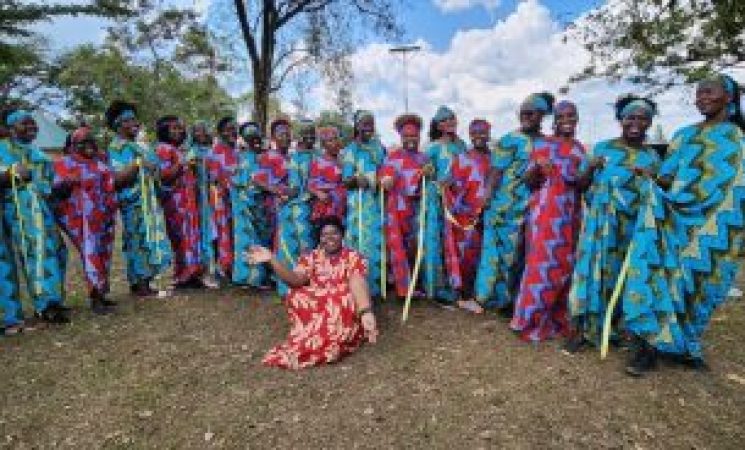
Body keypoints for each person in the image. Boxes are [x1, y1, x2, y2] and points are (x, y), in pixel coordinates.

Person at [619, 75, 745, 376]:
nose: (701, 97)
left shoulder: (738, 138)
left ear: (728, 97)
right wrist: (651, 178)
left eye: (708, 92)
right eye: (698, 93)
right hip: (677, 220)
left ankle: (684, 345)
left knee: (701, 285)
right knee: (658, 276)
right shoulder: (683, 135)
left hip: (717, 225)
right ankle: (645, 347)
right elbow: (668, 177)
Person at [566, 95, 662, 354]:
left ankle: (619, 327)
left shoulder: (653, 157)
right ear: (621, 119)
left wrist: (653, 178)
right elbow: (580, 185)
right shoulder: (602, 148)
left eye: (642, 118)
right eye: (630, 117)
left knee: (627, 275)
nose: (636, 122)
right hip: (602, 226)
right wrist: (590, 168)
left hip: (635, 229)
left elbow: (662, 193)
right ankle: (584, 328)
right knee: (593, 271)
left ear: (650, 122)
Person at [246, 216, 379, 370]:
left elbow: (357, 281)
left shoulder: (354, 257)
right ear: (319, 238)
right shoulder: (311, 257)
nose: (329, 238)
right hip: (319, 304)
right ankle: (310, 337)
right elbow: (295, 280)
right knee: (295, 294)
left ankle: (337, 338)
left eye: (334, 233)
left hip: (342, 305)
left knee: (341, 297)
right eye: (324, 234)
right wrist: (272, 260)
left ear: (342, 235)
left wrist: (366, 311)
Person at [511, 101, 586, 341]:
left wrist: (592, 169)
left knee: (564, 266)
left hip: (570, 214)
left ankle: (555, 318)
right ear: (555, 119)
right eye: (561, 116)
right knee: (539, 265)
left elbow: (582, 186)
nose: (566, 119)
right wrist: (537, 169)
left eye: (571, 115)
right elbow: (528, 181)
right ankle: (528, 320)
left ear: (577, 118)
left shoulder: (579, 149)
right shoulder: (543, 145)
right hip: (544, 213)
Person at [475, 92, 554, 313]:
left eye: (532, 113)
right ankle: (488, 298)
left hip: (533, 207)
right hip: (504, 206)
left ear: (542, 116)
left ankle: (515, 298)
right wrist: (487, 196)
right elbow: (495, 171)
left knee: (520, 255)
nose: (526, 116)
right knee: (495, 253)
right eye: (523, 113)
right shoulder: (510, 139)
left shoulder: (548, 142)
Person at [0, 110, 69, 327]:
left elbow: (49, 182)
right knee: (38, 255)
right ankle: (46, 306)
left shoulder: (37, 152)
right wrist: (11, 173)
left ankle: (54, 298)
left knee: (58, 252)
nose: (32, 127)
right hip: (22, 211)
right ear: (11, 129)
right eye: (25, 123)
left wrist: (61, 186)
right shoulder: (3, 150)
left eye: (33, 123)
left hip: (45, 209)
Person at [106, 101, 171, 297]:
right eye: (128, 120)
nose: (134, 123)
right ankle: (139, 282)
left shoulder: (142, 146)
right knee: (136, 241)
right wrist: (137, 164)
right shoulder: (116, 147)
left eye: (135, 119)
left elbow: (157, 171)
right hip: (133, 202)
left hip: (150, 201)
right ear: (118, 124)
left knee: (150, 240)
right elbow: (117, 178)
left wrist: (153, 169)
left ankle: (147, 280)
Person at [53, 126, 118, 314]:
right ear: (73, 145)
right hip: (80, 221)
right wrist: (67, 183)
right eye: (82, 142)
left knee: (104, 254)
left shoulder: (101, 163)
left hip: (104, 216)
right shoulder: (65, 163)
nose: (88, 146)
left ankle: (102, 294)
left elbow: (110, 186)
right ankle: (95, 298)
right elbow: (56, 191)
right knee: (91, 255)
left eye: (91, 141)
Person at [442, 119, 493, 313]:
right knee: (467, 256)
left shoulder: (496, 159)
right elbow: (448, 185)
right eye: (475, 133)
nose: (479, 136)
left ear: (488, 134)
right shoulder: (461, 158)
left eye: (483, 132)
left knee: (486, 257)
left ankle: (483, 295)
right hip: (466, 219)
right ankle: (464, 296)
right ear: (470, 135)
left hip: (490, 215)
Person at [380, 114, 428, 299]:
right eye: (406, 136)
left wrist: (427, 175)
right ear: (401, 137)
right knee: (397, 247)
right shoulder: (393, 157)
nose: (410, 139)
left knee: (413, 247)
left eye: (414, 136)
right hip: (396, 209)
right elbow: (386, 174)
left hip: (415, 210)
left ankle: (414, 282)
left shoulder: (423, 158)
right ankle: (403, 290)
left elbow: (426, 182)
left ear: (419, 136)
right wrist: (386, 180)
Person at [155, 116, 204, 289]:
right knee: (180, 237)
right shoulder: (163, 149)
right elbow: (164, 176)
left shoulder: (180, 149)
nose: (178, 131)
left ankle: (191, 274)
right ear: (164, 130)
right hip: (175, 201)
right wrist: (182, 162)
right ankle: (182, 276)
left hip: (188, 200)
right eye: (173, 128)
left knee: (190, 236)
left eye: (180, 128)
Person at [422, 106, 465, 303]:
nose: (449, 122)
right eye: (444, 120)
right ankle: (438, 286)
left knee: (458, 241)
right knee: (439, 241)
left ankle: (458, 282)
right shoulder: (432, 147)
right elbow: (424, 173)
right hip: (438, 200)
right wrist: (433, 178)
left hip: (460, 200)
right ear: (438, 125)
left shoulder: (462, 146)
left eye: (451, 118)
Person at [342, 110, 386, 298]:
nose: (369, 128)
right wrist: (357, 179)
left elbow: (386, 168)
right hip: (358, 203)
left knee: (376, 242)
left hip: (376, 201)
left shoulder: (379, 147)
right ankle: (358, 286)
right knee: (359, 243)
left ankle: (376, 286)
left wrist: (377, 178)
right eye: (365, 124)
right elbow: (346, 180)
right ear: (357, 127)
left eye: (371, 124)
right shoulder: (350, 150)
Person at [253, 117, 293, 296]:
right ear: (274, 138)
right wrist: (276, 191)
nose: (286, 137)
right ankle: (277, 275)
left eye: (288, 133)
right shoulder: (268, 156)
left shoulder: (292, 156)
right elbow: (257, 179)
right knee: (277, 238)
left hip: (291, 201)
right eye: (281, 134)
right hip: (275, 203)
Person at [231, 121, 270, 288]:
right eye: (250, 138)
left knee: (259, 238)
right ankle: (249, 278)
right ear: (245, 140)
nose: (255, 141)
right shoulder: (244, 158)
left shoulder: (261, 157)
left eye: (257, 137)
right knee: (248, 239)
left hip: (258, 204)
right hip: (245, 205)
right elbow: (252, 182)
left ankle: (259, 276)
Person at [207, 116, 240, 283]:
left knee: (235, 232)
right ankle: (222, 266)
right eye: (228, 129)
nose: (232, 131)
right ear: (220, 133)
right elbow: (213, 180)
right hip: (220, 199)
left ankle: (234, 266)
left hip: (238, 200)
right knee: (221, 232)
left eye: (234, 128)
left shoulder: (238, 151)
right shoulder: (215, 152)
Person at [187, 121, 219, 287]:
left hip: (215, 196)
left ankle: (216, 269)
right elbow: (190, 173)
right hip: (200, 197)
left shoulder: (212, 150)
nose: (200, 133)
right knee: (205, 233)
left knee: (216, 232)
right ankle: (206, 272)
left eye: (203, 130)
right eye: (196, 131)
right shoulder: (192, 152)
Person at [308, 125, 346, 227]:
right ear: (323, 144)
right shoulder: (319, 163)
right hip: (326, 210)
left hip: (342, 209)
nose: (334, 143)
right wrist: (319, 193)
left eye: (336, 139)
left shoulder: (345, 161)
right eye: (330, 140)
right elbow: (311, 186)